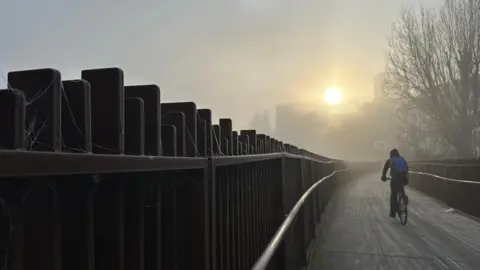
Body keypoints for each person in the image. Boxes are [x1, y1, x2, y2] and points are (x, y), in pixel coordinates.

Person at [381, 148, 409, 218]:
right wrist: (406, 179)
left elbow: (385, 170)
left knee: (393, 194)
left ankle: (393, 212)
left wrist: (383, 177)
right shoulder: (402, 160)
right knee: (401, 188)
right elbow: (407, 169)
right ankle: (404, 197)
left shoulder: (390, 160)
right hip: (403, 178)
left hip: (394, 179)